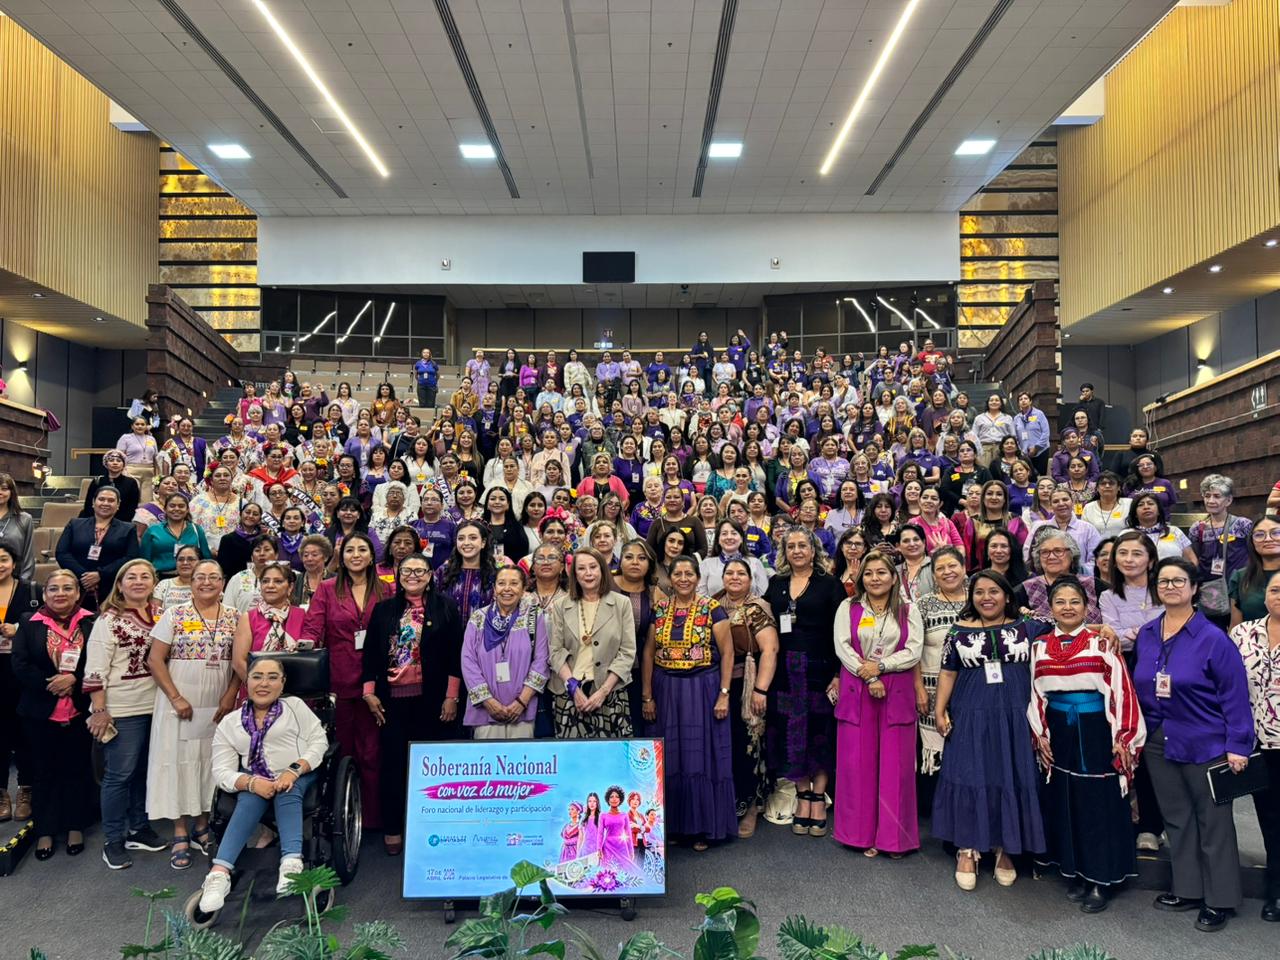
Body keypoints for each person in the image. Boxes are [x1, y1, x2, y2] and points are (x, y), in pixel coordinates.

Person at [1134, 558, 1254, 932]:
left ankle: (1220, 899)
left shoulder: (1213, 638)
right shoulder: (1148, 633)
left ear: (1194, 588)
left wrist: (1238, 745)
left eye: (1178, 580)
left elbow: (1235, 695)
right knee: (1177, 818)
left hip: (1206, 741)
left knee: (1213, 822)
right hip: (1159, 739)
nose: (1170, 587)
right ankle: (1187, 889)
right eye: (1163, 581)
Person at [1029, 576, 1145, 912]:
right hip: (1059, 729)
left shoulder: (1102, 644)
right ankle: (1077, 870)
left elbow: (1121, 690)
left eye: (1074, 602)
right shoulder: (1039, 646)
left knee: (1098, 803)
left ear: (1086, 607)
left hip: (1096, 730)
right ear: (1050, 608)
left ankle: (1100, 878)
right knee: (1067, 800)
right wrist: (1041, 734)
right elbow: (1036, 693)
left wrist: (1123, 737)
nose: (1067, 608)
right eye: (1060, 602)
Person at [933, 571, 1046, 891]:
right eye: (979, 592)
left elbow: (1069, 626)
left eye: (993, 591)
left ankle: (1005, 847)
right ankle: (967, 849)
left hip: (1015, 716)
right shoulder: (959, 631)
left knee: (1009, 776)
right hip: (970, 714)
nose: (986, 597)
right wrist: (939, 710)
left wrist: (1103, 628)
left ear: (1007, 595)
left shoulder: (1028, 626)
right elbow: (947, 672)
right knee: (970, 775)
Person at [197, 656, 328, 912]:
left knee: (286, 790)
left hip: (299, 774)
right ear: (246, 681)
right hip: (256, 778)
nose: (264, 683)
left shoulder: (295, 707)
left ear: (283, 682)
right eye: (257, 677)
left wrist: (294, 770)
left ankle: (291, 862)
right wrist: (250, 782)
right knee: (249, 797)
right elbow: (221, 770)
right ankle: (219, 874)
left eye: (272, 677)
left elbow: (319, 741)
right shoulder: (230, 723)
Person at [362, 552, 463, 854]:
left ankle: (433, 829)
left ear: (430, 576)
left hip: (433, 701)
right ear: (399, 575)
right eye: (407, 571)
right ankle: (394, 827)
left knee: (433, 768)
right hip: (391, 703)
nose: (413, 576)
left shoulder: (446, 607)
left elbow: (455, 655)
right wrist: (369, 692)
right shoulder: (384, 610)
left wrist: (452, 696)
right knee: (393, 766)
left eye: (420, 571)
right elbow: (370, 653)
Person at [146, 559, 239, 869]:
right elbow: (155, 660)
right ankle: (180, 830)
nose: (206, 582)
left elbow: (240, 661)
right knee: (177, 761)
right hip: (179, 701)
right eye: (200, 577)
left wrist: (231, 694)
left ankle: (202, 825)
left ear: (223, 582)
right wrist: (175, 697)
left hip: (218, 701)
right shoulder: (174, 614)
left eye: (213, 577)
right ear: (191, 582)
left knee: (209, 762)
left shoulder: (235, 617)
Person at [641, 554, 735, 850]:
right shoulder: (659, 609)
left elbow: (728, 653)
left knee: (700, 757)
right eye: (677, 574)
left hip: (702, 688)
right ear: (670, 578)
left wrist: (724, 693)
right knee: (671, 757)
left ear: (697, 577)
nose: (683, 579)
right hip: (666, 688)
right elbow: (648, 653)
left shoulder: (712, 609)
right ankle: (675, 827)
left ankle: (702, 828)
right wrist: (647, 695)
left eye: (689, 574)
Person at [832, 550, 923, 857]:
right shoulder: (848, 606)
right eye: (868, 573)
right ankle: (858, 835)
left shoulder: (908, 609)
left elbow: (913, 650)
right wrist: (869, 675)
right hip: (858, 687)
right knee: (857, 764)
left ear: (894, 577)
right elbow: (843, 647)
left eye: (881, 572)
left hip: (896, 689)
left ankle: (894, 839)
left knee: (896, 767)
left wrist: (882, 667)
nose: (874, 578)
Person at [302, 533, 390, 829]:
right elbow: (313, 627)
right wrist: (305, 643)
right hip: (338, 680)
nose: (356, 555)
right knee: (343, 750)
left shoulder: (386, 589)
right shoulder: (327, 589)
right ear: (341, 557)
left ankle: (374, 818)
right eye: (349, 550)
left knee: (373, 751)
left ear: (372, 556)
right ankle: (342, 816)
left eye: (362, 549)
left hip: (377, 680)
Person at [84, 559, 167, 869]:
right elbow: (95, 669)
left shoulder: (164, 614)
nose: (138, 581)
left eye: (145, 576)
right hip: (122, 708)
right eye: (131, 577)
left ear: (154, 582)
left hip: (157, 705)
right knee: (119, 775)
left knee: (144, 771)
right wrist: (100, 710)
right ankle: (113, 839)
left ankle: (139, 828)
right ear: (119, 584)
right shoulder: (108, 620)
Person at [763, 528, 845, 838]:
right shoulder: (776, 583)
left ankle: (818, 797)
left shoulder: (830, 584)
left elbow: (841, 631)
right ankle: (802, 793)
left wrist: (837, 674)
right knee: (791, 733)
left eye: (803, 545)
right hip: (785, 672)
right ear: (784, 552)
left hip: (821, 669)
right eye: (791, 546)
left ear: (813, 550)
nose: (797, 550)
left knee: (820, 733)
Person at [10, 569, 93, 859]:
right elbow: (20, 664)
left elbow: (99, 662)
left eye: (67, 588)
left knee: (77, 769)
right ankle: (45, 829)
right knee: (43, 771)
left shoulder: (91, 622)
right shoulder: (29, 622)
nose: (60, 593)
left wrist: (74, 680)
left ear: (77, 593)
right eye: (54, 588)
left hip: (80, 708)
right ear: (44, 594)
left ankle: (75, 825)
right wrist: (53, 683)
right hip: (39, 710)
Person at [1227, 568, 1280, 921]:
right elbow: (1229, 684)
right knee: (1271, 818)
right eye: (1275, 590)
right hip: (1257, 742)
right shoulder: (1243, 633)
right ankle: (1276, 890)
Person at [714, 558, 778, 839]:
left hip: (748, 684)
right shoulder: (714, 604)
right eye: (729, 573)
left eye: (741, 573)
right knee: (726, 744)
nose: (735, 577)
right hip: (718, 683)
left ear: (751, 580)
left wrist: (760, 690)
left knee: (749, 744)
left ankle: (752, 806)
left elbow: (770, 650)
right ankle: (729, 803)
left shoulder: (757, 607)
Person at [547, 547, 636, 738]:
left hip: (610, 693)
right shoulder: (561, 605)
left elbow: (627, 652)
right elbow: (555, 651)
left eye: (593, 567)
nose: (588, 573)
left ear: (602, 570)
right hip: (569, 694)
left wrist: (603, 691)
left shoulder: (622, 603)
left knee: (612, 755)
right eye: (581, 568)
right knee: (572, 755)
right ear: (574, 574)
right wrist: (573, 689)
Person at [461, 564, 548, 740]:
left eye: (514, 583)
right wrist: (488, 702)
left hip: (522, 710)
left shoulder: (534, 617)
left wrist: (522, 701)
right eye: (501, 583)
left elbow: (542, 660)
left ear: (523, 589)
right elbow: (468, 661)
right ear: (494, 589)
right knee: (487, 757)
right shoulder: (478, 618)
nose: (507, 589)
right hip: (485, 711)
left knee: (523, 756)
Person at [912, 548, 968, 802]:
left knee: (967, 748)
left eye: (952, 566)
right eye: (940, 568)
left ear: (964, 568)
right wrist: (918, 688)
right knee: (938, 752)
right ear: (933, 575)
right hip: (932, 689)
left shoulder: (978, 600)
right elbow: (913, 650)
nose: (947, 572)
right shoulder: (923, 605)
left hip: (970, 690)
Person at [56, 486, 141, 612]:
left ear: (118, 505)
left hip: (111, 587)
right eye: (101, 499)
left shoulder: (128, 529)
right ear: (93, 502)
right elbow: (62, 553)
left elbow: (131, 557)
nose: (105, 503)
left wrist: (101, 574)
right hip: (76, 583)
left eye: (111, 500)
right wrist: (84, 577)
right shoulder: (75, 524)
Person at [1188, 474, 1252, 628]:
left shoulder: (1242, 525)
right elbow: (1195, 559)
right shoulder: (1197, 528)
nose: (1211, 500)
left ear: (1228, 500)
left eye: (1217, 496)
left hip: (1239, 588)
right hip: (1210, 591)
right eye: (1207, 496)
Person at [231, 562, 306, 681]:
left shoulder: (302, 615)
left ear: (290, 587)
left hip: (297, 686)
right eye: (265, 581)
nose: (270, 585)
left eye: (278, 581)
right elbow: (239, 663)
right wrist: (263, 685)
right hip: (257, 687)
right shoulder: (248, 618)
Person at [140, 493, 211, 578]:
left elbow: (207, 558)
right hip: (160, 577)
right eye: (172, 506)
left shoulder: (197, 529)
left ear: (187, 510)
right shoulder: (153, 530)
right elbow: (144, 561)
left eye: (181, 506)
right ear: (165, 509)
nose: (176, 509)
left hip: (191, 578)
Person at [1230, 515, 1280, 628]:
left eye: (1276, 533)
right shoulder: (1240, 577)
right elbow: (1236, 626)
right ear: (1252, 541)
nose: (1268, 539)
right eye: (1259, 535)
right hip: (1251, 638)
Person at [1013, 391, 1050, 476]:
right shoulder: (1017, 418)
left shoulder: (1039, 414)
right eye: (1020, 399)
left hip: (1041, 451)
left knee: (1041, 477)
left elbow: (1046, 433)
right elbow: (1015, 437)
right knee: (1028, 476)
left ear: (1030, 401)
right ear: (1018, 403)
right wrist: (1020, 450)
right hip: (1025, 454)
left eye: (1025, 398)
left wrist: (1036, 447)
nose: (1023, 400)